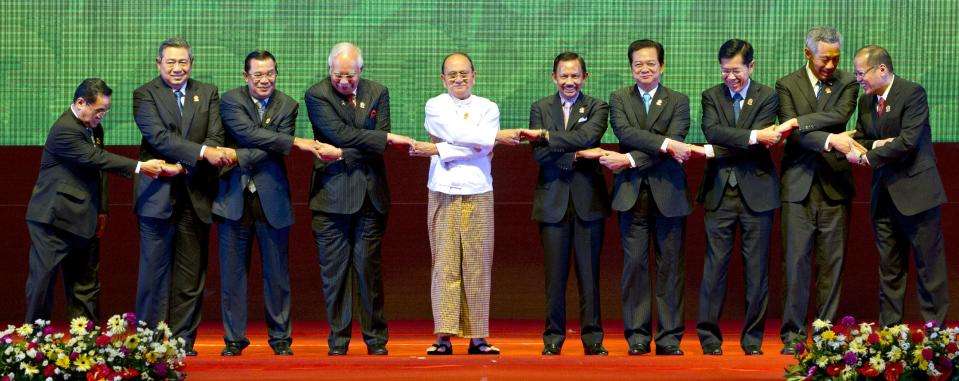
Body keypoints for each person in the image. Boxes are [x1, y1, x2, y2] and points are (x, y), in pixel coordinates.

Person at [214, 50, 340, 357]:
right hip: (233, 196)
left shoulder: (289, 104)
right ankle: (234, 339)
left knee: (277, 275)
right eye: (258, 75)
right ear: (245, 77)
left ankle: (281, 338)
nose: (265, 80)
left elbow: (273, 149)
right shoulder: (230, 101)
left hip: (272, 198)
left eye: (270, 73)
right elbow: (246, 132)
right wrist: (292, 141)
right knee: (232, 275)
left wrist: (240, 155)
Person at [25, 79, 173, 324]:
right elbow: (97, 159)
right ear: (80, 103)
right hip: (52, 220)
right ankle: (35, 341)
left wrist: (102, 210)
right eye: (99, 110)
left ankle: (87, 345)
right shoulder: (65, 129)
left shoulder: (94, 127)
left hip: (84, 218)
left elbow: (98, 173)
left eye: (106, 110)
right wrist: (140, 166)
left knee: (86, 286)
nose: (102, 116)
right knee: (42, 282)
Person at [304, 42, 414, 356]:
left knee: (369, 271)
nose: (343, 81)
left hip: (371, 196)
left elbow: (374, 143)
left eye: (350, 76)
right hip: (331, 197)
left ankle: (376, 340)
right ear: (329, 71)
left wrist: (342, 152)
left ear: (361, 71)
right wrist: (375, 140)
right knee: (334, 273)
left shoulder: (378, 91)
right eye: (338, 75)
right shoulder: (317, 95)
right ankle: (338, 341)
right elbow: (337, 132)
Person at [409, 52, 522, 355]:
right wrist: (490, 139)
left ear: (474, 75)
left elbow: (481, 147)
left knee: (478, 264)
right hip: (443, 189)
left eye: (464, 73)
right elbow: (469, 139)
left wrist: (437, 149)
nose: (458, 79)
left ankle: (479, 337)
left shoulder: (488, 107)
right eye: (452, 74)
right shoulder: (435, 105)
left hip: (479, 188)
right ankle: (443, 337)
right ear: (442, 78)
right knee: (444, 263)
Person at [133, 37, 233, 356]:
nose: (178, 68)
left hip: (196, 193)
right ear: (158, 63)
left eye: (183, 62)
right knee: (153, 274)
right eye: (171, 62)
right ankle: (147, 342)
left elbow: (217, 134)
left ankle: (182, 342)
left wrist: (195, 158)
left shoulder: (208, 92)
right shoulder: (144, 95)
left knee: (191, 275)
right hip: (157, 195)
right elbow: (158, 138)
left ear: (192, 63)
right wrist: (203, 152)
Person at [601, 39, 700, 356]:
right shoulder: (619, 99)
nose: (644, 69)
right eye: (638, 64)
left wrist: (630, 159)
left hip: (668, 193)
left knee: (670, 267)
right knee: (635, 267)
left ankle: (670, 338)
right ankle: (638, 337)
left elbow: (679, 141)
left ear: (662, 66)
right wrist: (665, 145)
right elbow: (626, 134)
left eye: (650, 64)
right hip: (631, 194)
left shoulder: (679, 101)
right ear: (631, 67)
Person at [846, 45, 948, 327]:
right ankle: (890, 335)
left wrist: (866, 158)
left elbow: (907, 142)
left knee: (930, 269)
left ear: (881, 69)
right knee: (889, 270)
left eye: (860, 73)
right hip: (884, 198)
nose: (858, 80)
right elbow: (861, 138)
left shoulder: (912, 93)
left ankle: (936, 339)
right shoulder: (866, 101)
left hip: (918, 194)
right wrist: (877, 145)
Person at [774, 26, 859, 355]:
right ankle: (793, 337)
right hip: (797, 187)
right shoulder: (786, 84)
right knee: (795, 265)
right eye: (825, 59)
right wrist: (826, 138)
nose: (831, 66)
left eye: (836, 59)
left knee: (832, 266)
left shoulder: (848, 83)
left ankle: (827, 337)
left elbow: (840, 115)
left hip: (835, 186)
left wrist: (797, 121)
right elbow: (793, 137)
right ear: (808, 54)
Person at [695, 39, 780, 356]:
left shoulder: (768, 96)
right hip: (719, 193)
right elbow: (712, 132)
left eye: (737, 71)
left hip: (758, 194)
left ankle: (753, 340)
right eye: (725, 71)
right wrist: (756, 136)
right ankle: (709, 338)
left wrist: (731, 144)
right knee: (713, 270)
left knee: (757, 272)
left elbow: (725, 139)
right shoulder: (710, 96)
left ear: (751, 67)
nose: (731, 77)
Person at [522, 52, 610, 356]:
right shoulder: (540, 107)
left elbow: (590, 135)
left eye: (575, 76)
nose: (569, 82)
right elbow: (539, 155)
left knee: (589, 274)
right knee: (554, 277)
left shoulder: (598, 106)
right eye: (563, 76)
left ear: (585, 77)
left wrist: (549, 137)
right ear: (554, 77)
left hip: (589, 201)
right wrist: (578, 153)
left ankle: (593, 339)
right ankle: (553, 339)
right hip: (552, 201)